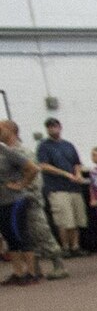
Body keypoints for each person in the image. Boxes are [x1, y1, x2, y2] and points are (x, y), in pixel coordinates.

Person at [0, 120, 69, 283]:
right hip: (10, 202)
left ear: (11, 130)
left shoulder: (22, 151)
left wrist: (23, 189)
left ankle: (58, 264)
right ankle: (32, 270)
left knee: (41, 232)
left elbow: (35, 176)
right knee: (22, 236)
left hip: (29, 200)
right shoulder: (5, 152)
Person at [36, 118, 89, 257]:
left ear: (60, 127)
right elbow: (43, 165)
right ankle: (65, 247)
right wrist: (65, 174)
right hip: (57, 188)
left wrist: (77, 173)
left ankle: (75, 246)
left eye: (54, 126)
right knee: (64, 220)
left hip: (74, 187)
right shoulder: (44, 146)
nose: (52, 129)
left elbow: (77, 163)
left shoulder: (68, 145)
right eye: (49, 127)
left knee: (77, 219)